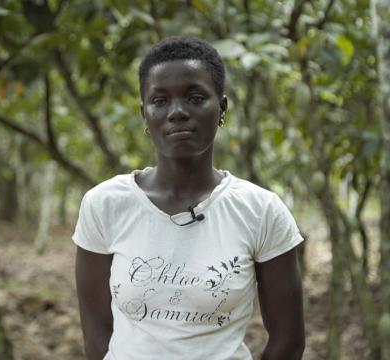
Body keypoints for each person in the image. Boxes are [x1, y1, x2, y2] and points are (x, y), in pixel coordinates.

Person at [73, 36, 305, 360]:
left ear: (221, 108)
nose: (177, 112)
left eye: (195, 98)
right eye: (160, 101)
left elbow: (288, 341)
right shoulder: (105, 205)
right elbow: (97, 335)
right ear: (144, 115)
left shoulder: (261, 211)